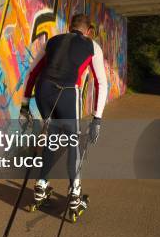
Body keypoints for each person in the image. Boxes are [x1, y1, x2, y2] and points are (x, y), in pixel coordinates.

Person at [20, 14, 107, 214]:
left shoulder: (52, 41)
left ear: (69, 27)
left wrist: (25, 105)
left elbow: (32, 72)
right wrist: (97, 118)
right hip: (67, 93)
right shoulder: (92, 46)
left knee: (54, 138)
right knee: (73, 142)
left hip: (43, 91)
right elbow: (101, 83)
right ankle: (75, 194)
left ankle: (41, 186)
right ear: (89, 31)